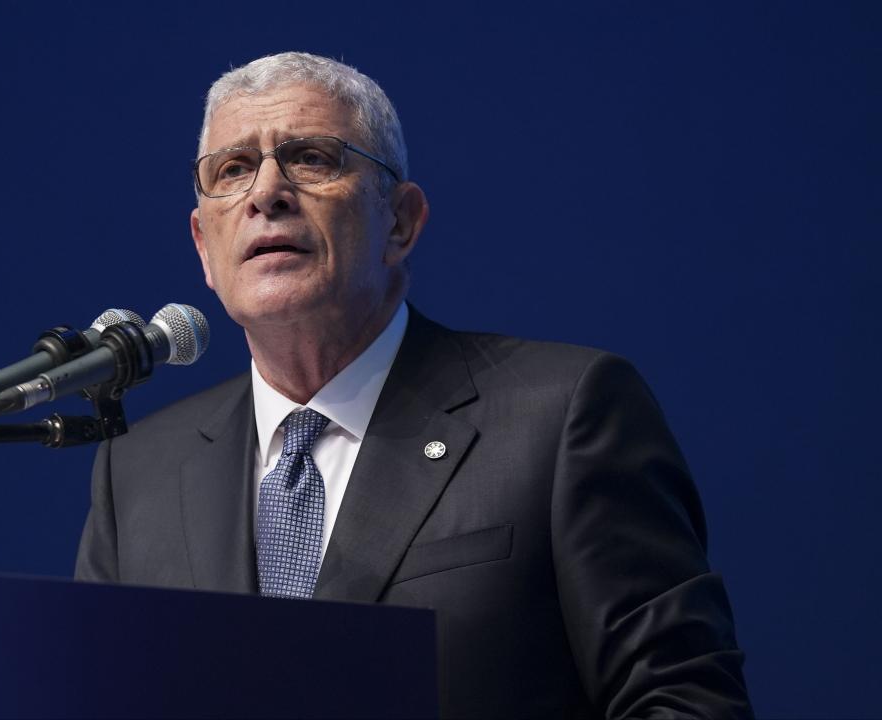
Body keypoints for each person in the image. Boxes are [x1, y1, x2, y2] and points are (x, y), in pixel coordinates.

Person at [75, 51, 752, 718]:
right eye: (233, 169)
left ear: (399, 221)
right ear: (204, 246)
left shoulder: (562, 416)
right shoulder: (137, 473)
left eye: (311, 158)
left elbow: (686, 703)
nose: (266, 193)